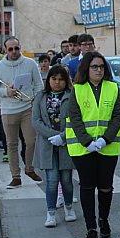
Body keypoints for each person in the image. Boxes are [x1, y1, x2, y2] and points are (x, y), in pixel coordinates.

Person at [66, 52, 120, 238]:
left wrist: (105, 139)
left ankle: (104, 219)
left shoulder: (113, 88)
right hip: (84, 148)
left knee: (106, 186)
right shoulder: (78, 89)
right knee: (88, 186)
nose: (99, 70)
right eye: (94, 67)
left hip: (107, 146)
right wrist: (86, 141)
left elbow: (117, 117)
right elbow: (74, 118)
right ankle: (91, 228)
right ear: (86, 69)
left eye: (101, 66)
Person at [0, 38, 44, 188]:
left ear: (20, 47)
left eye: (16, 48)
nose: (14, 52)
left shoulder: (30, 63)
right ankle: (15, 176)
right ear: (5, 49)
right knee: (11, 144)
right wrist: (6, 92)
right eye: (10, 49)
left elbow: (39, 84)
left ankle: (29, 169)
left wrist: (36, 100)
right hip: (8, 110)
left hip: (27, 108)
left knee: (31, 141)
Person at [32, 64, 76, 228]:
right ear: (48, 80)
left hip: (66, 144)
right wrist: (52, 135)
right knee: (51, 180)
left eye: (61, 79)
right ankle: (51, 212)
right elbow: (36, 121)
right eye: (54, 79)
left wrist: (63, 136)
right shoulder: (40, 97)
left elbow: (76, 120)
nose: (57, 82)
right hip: (47, 144)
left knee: (66, 179)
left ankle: (69, 208)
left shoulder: (71, 96)